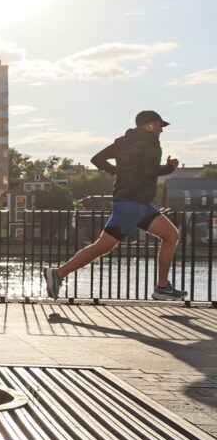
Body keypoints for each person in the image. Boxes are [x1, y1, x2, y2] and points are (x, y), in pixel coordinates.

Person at [43, 110, 188, 302]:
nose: (161, 130)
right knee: (102, 246)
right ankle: (58, 273)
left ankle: (162, 287)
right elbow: (149, 171)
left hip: (138, 204)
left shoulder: (121, 142)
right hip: (132, 204)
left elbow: (97, 159)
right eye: (160, 125)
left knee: (171, 235)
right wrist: (170, 168)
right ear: (151, 125)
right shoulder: (152, 142)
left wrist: (116, 171)